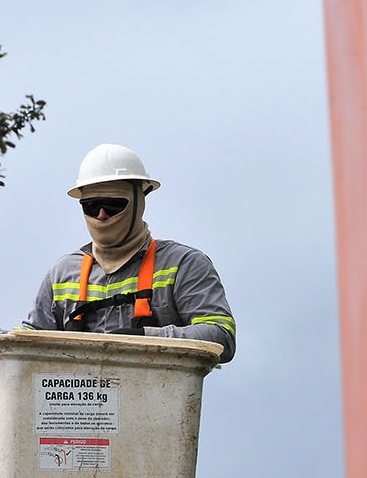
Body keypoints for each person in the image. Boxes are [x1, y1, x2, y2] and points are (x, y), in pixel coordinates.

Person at [17, 143, 235, 362]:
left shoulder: (183, 264)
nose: (101, 215)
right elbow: (28, 341)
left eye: (113, 204)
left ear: (140, 200)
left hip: (158, 394)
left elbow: (220, 336)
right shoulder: (63, 273)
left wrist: (145, 339)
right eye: (91, 206)